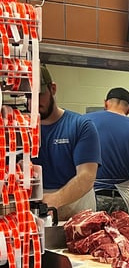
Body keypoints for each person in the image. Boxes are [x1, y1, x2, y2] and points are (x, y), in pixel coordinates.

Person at [30, 65, 101, 220]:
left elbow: (87, 175)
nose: (33, 102)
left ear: (53, 89)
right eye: (28, 96)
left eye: (39, 94)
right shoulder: (19, 132)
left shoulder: (80, 126)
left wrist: (56, 199)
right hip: (34, 210)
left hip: (77, 211)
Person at [87, 87, 129, 214]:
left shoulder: (84, 121)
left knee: (89, 232)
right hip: (122, 196)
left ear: (105, 103)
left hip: (89, 195)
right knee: (123, 233)